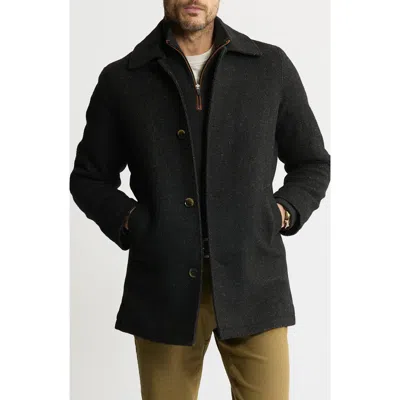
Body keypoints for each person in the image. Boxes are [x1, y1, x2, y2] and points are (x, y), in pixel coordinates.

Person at [70, 1, 331, 398]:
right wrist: (133, 222)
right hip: (163, 285)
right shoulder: (123, 78)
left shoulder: (269, 66)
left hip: (254, 280)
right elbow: (89, 178)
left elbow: (311, 162)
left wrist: (280, 212)